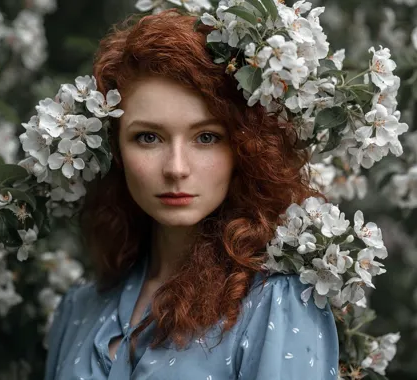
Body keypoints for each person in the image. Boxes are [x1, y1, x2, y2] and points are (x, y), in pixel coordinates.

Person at [44, 9, 339, 380]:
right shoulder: (80, 307)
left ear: (243, 150)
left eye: (206, 137)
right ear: (116, 151)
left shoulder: (278, 303)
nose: (176, 167)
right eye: (148, 137)